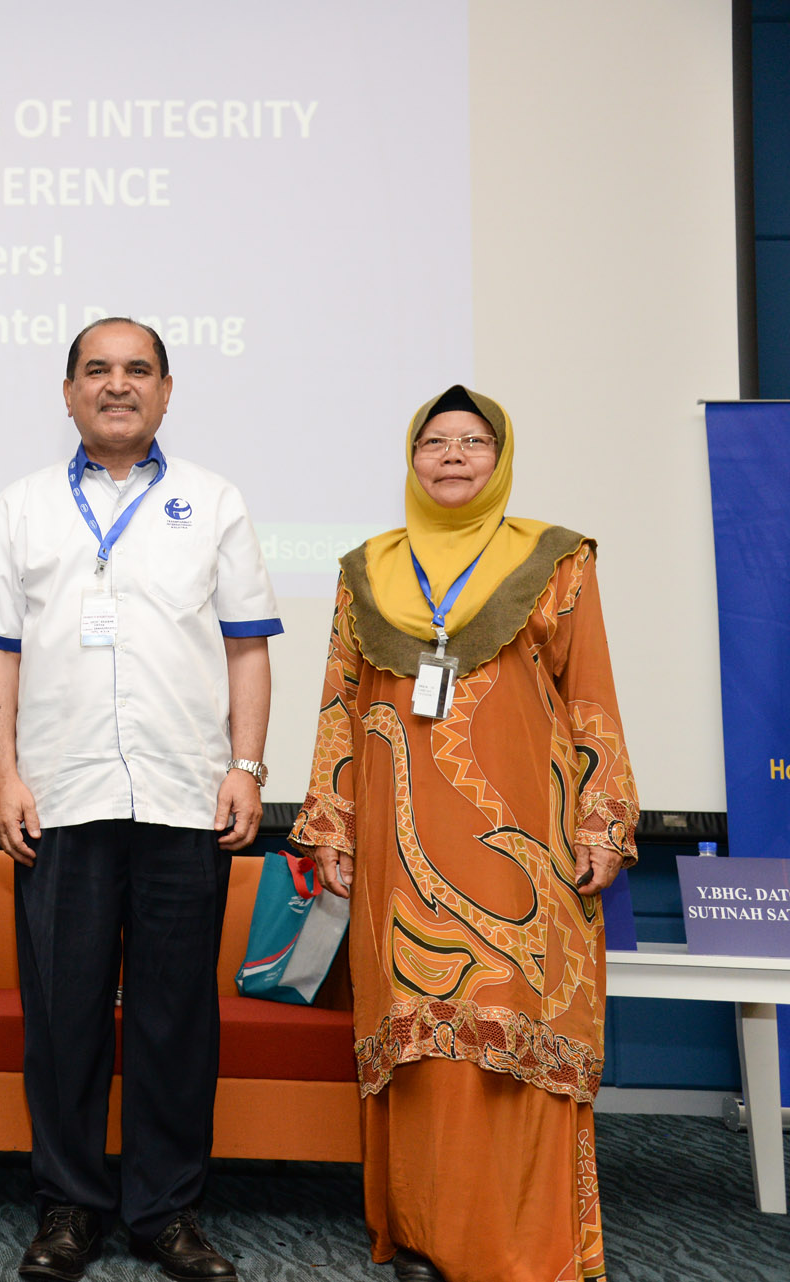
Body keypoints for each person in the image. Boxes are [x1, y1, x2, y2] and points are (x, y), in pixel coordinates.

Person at [0, 318, 280, 1282]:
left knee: (176, 1017)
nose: (117, 385)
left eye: (138, 370)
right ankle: (68, 1208)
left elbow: (247, 646)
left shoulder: (212, 501)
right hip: (59, 797)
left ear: (168, 391)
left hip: (186, 793)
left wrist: (247, 766)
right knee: (64, 1014)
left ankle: (166, 1212)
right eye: (96, 370)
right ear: (67, 394)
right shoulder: (20, 508)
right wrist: (4, 777)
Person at [291, 385, 638, 1282]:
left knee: (507, 1019)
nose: (451, 456)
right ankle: (421, 1235)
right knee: (416, 1032)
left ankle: (519, 1245)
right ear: (412, 459)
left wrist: (602, 817)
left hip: (523, 834)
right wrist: (330, 818)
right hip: (398, 842)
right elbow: (338, 700)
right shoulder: (367, 568)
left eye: (472, 442)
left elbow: (589, 692)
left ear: (500, 457)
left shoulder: (555, 559)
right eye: (433, 442)